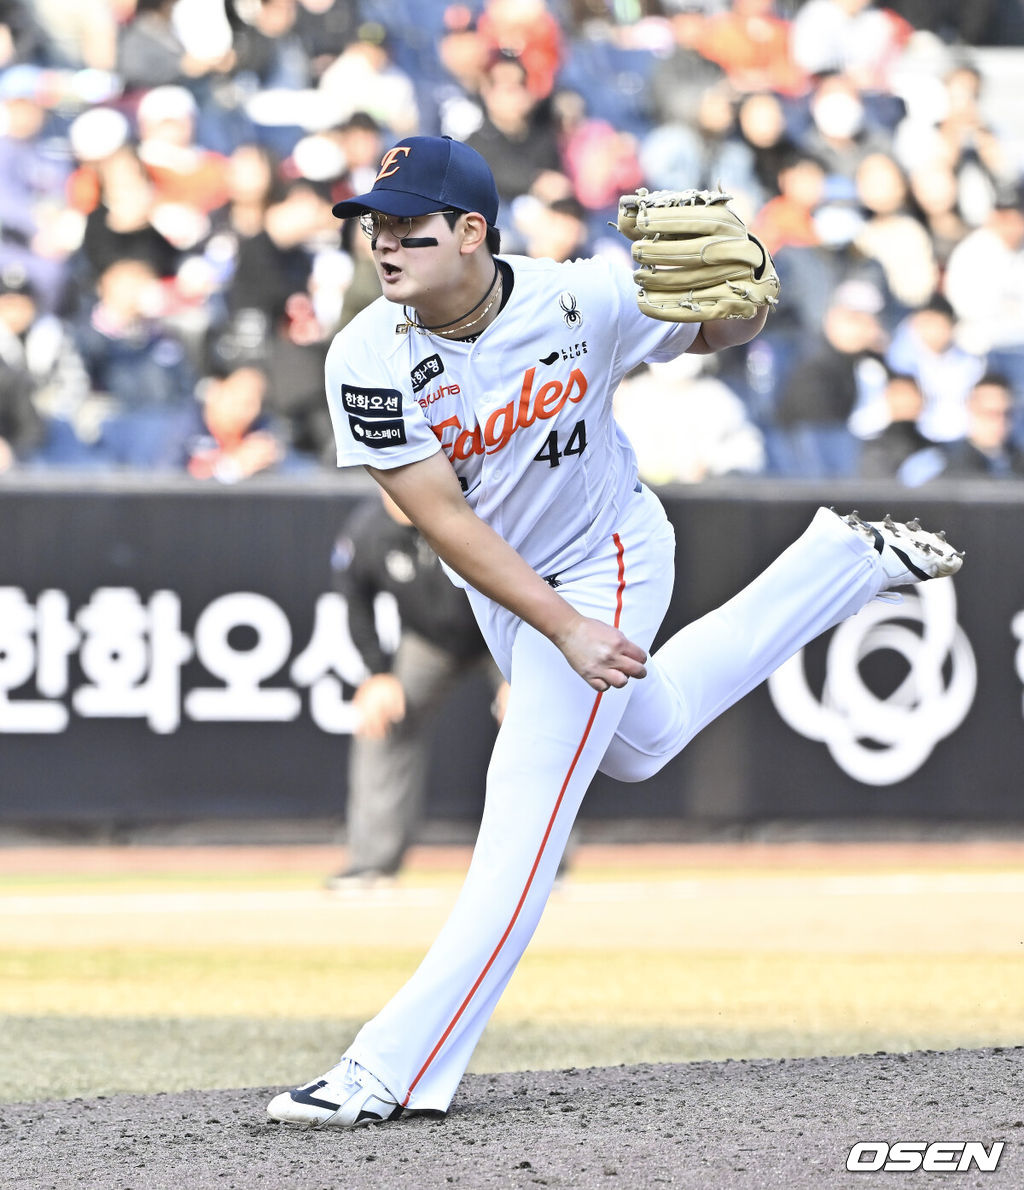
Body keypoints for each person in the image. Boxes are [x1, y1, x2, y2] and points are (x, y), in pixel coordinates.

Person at [266, 134, 964, 1129]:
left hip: (609, 554)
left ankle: (388, 1067)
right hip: (513, 589)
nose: (384, 244)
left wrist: (748, 284)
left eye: (407, 226)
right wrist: (555, 628)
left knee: (523, 817)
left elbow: (725, 326)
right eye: (373, 224)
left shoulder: (579, 295)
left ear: (472, 232)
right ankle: (839, 565)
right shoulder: (365, 353)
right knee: (646, 736)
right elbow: (443, 519)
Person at [327, 490, 507, 889]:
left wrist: (526, 671)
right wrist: (376, 674)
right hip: (428, 641)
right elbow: (355, 600)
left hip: (503, 631)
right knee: (380, 720)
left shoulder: (479, 511)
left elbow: (535, 579)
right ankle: (371, 862)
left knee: (536, 724)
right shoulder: (368, 529)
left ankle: (545, 864)